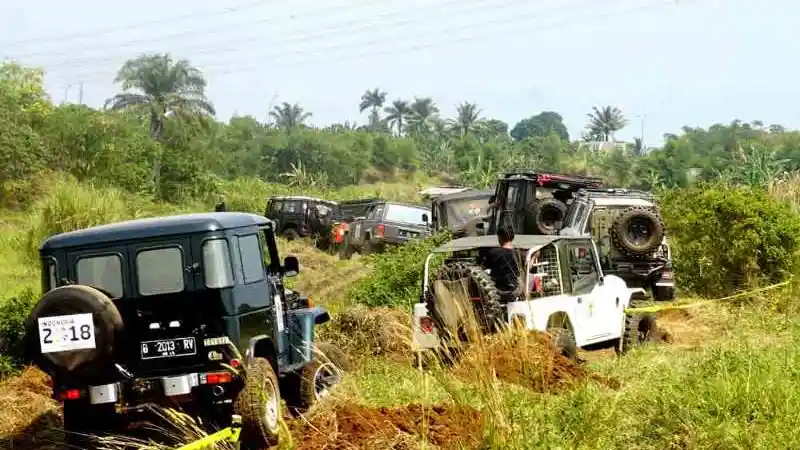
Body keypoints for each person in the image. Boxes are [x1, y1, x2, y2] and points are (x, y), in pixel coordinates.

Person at [478, 227, 520, 302]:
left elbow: (481, 268)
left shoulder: (494, 252)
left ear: (500, 237)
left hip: (498, 291)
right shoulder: (519, 253)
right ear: (512, 237)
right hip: (515, 290)